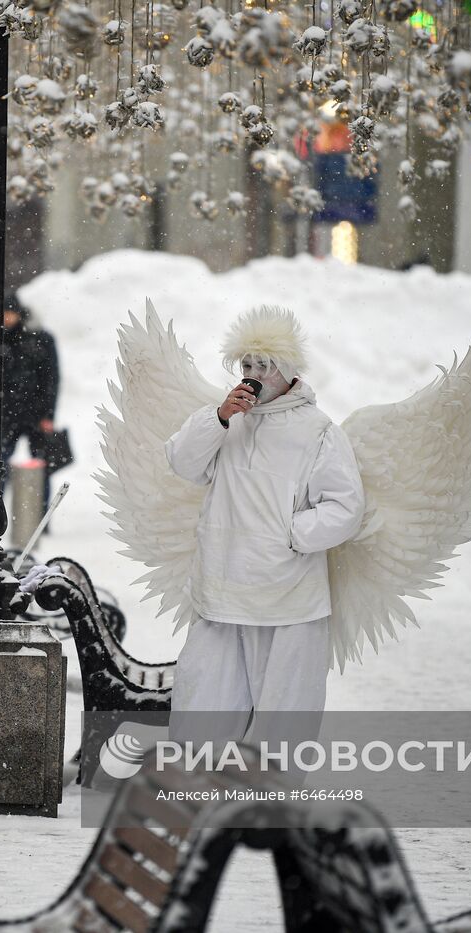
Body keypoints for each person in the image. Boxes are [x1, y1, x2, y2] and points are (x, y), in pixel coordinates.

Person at [164, 306, 365, 739]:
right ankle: (195, 783)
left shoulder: (318, 431)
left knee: (282, 725)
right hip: (220, 596)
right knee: (200, 712)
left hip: (288, 603)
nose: (252, 376)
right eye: (246, 365)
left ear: (287, 370)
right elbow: (182, 461)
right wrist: (220, 417)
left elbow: (345, 507)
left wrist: (288, 536)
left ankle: (268, 786)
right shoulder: (227, 421)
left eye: (263, 366)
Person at [0, 291, 60, 507]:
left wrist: (48, 415)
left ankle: (41, 514)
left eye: (10, 313)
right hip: (8, 413)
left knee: (41, 467)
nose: (7, 318)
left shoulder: (40, 339)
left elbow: (51, 379)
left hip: (34, 413)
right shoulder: (0, 339)